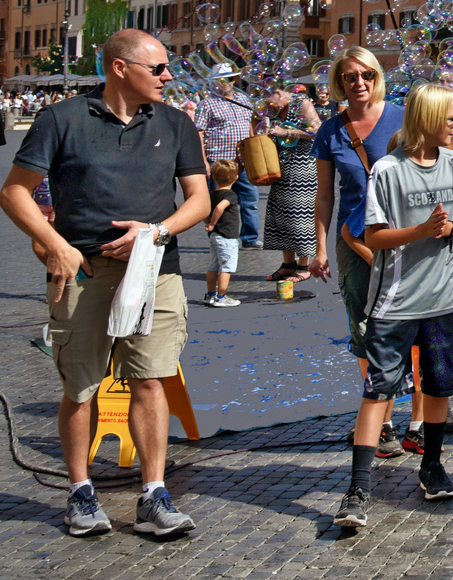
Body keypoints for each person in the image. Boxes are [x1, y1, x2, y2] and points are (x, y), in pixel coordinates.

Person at [0, 29, 210, 538]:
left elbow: (199, 201)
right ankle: (80, 492)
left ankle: (154, 493)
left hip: (155, 273)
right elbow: (14, 193)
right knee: (81, 386)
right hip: (84, 272)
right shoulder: (61, 119)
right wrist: (56, 245)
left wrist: (156, 231)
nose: (168, 76)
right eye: (158, 68)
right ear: (121, 68)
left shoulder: (176, 123)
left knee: (151, 379)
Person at [334, 83, 453, 529]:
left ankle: (431, 465)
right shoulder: (387, 170)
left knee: (438, 387)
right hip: (395, 303)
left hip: (444, 300)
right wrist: (421, 230)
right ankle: (358, 487)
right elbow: (372, 237)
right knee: (379, 389)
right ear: (427, 120)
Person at [312, 47, 408, 456]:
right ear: (339, 82)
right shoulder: (330, 131)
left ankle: (421, 417)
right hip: (354, 240)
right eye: (350, 76)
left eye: (367, 74)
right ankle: (383, 423)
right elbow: (325, 195)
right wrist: (319, 248)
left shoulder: (402, 117)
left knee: (409, 324)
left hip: (402, 233)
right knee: (364, 328)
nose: (359, 82)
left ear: (377, 76)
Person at [193, 67, 261, 248]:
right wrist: (203, 161)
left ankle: (250, 238)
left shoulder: (242, 100)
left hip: (242, 161)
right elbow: (198, 133)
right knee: (217, 202)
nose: (226, 83)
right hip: (219, 162)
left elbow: (251, 126)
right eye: (221, 80)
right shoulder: (207, 104)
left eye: (229, 79)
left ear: (233, 81)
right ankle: (219, 238)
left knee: (250, 200)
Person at [264, 86, 321, 284]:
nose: (268, 103)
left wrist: (285, 131)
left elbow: (317, 131)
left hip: (303, 168)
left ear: (278, 92)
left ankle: (304, 265)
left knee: (300, 214)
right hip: (282, 165)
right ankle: (288, 264)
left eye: (269, 98)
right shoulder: (276, 109)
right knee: (280, 214)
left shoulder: (301, 103)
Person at [203, 159, 243, 307]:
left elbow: (204, 210)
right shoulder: (230, 195)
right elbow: (220, 208)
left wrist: (208, 223)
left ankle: (210, 295)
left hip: (215, 236)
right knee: (227, 268)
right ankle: (221, 297)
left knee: (213, 266)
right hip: (227, 237)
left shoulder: (212, 193)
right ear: (235, 178)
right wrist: (212, 223)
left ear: (214, 177)